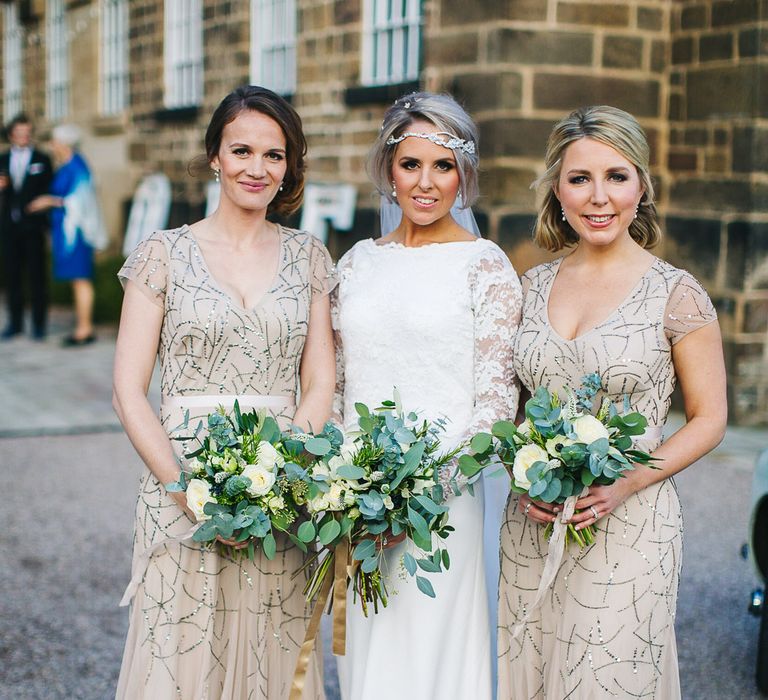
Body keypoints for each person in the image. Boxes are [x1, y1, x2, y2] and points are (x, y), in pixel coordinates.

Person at [497, 105, 728, 699]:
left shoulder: (675, 293)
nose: (599, 197)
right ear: (557, 188)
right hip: (534, 523)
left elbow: (710, 419)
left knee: (607, 678)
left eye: (616, 176)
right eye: (580, 179)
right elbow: (511, 409)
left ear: (642, 185)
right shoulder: (532, 285)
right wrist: (520, 475)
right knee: (536, 672)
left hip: (629, 520)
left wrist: (627, 481)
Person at [112, 85, 336, 699]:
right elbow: (129, 392)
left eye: (274, 155)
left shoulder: (309, 257)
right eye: (242, 150)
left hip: (280, 495)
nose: (257, 168)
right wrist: (183, 488)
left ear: (289, 165)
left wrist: (285, 475)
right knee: (178, 658)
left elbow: (319, 382)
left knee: (272, 657)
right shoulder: (164, 254)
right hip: (179, 481)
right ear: (215, 155)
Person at [333, 92, 522, 700]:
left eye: (443, 166)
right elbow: (336, 385)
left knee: (431, 660)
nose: (425, 182)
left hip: (444, 501)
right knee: (368, 653)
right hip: (358, 500)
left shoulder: (484, 266)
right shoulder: (357, 263)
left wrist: (413, 498)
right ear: (389, 169)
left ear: (463, 176)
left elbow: (495, 408)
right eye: (411, 163)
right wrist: (349, 485)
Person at [27, 124, 102, 345]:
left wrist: (48, 201)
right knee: (76, 280)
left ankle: (84, 328)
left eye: (54, 142)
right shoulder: (67, 166)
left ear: (63, 144)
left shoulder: (77, 167)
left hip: (76, 233)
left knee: (81, 279)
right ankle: (82, 325)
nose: (52, 146)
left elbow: (81, 201)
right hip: (66, 230)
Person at [0, 114, 53, 340]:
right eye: (19, 132)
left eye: (27, 132)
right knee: (12, 276)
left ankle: (39, 325)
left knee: (37, 276)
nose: (23, 136)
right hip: (9, 226)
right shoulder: (2, 159)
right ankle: (15, 323)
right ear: (12, 134)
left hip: (33, 227)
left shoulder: (42, 158)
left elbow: (51, 188)